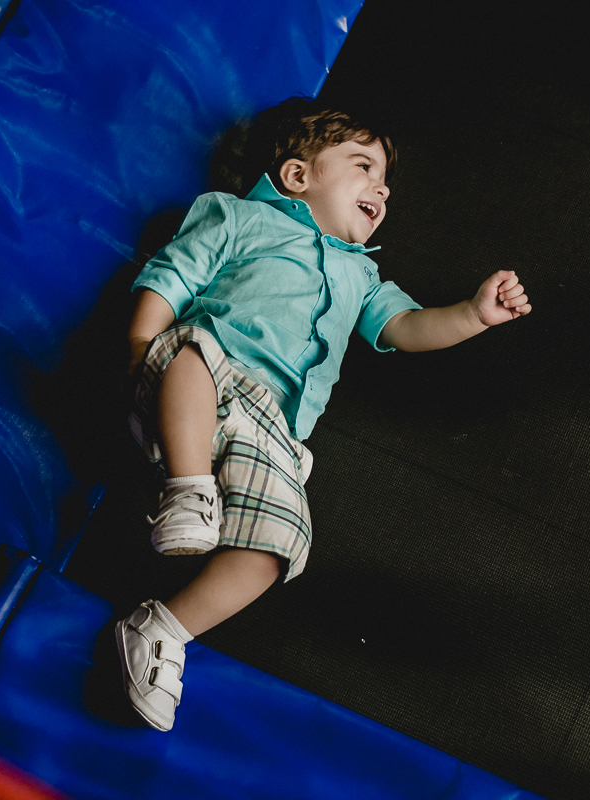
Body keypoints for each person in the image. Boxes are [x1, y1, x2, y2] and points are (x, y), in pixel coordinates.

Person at [115, 97, 531, 731]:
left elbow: (409, 326)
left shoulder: (362, 275)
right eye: (363, 167)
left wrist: (473, 315)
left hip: (273, 430)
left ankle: (163, 629)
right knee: (196, 354)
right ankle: (189, 489)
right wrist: (140, 348)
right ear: (297, 177)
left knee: (282, 544)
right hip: (197, 377)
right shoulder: (241, 217)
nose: (381, 188)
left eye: (386, 182)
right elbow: (174, 275)